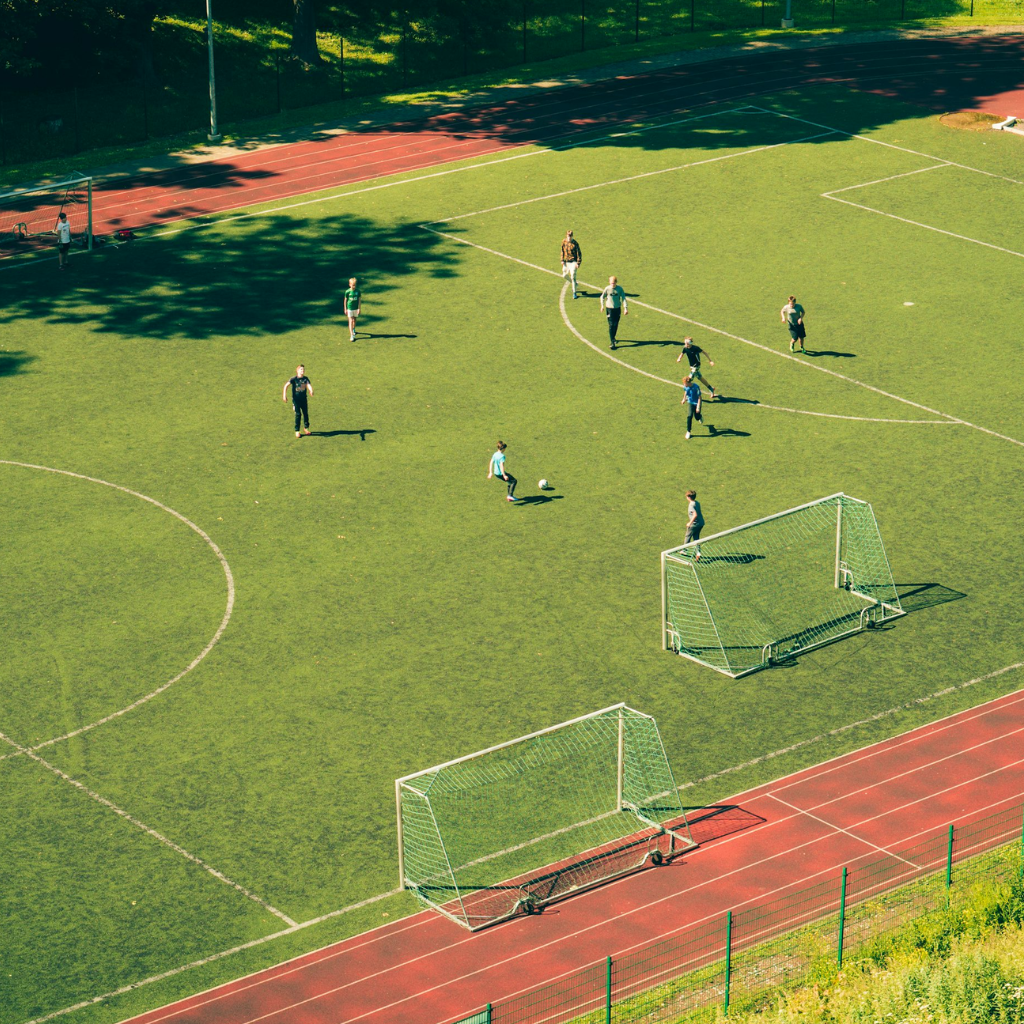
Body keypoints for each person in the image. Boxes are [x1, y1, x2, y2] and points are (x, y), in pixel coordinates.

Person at [282, 364, 314, 438]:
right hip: (296, 400)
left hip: (303, 399)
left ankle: (306, 428)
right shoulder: (294, 379)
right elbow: (286, 386)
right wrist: (284, 395)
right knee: (298, 414)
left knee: (305, 413)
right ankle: (297, 431)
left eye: (303, 369)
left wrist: (311, 390)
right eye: (301, 369)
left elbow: (308, 384)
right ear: (297, 370)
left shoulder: (305, 379)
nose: (302, 371)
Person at [599, 275, 628, 350]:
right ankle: (612, 342)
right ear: (609, 282)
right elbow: (602, 296)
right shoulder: (607, 289)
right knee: (611, 325)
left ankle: (613, 338)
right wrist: (602, 306)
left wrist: (625, 308)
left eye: (614, 283)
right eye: (611, 283)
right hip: (610, 309)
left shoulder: (619, 289)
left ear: (616, 282)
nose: (612, 285)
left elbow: (623, 298)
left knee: (615, 324)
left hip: (617, 308)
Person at [560, 230, 582, 299]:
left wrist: (578, 263)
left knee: (573, 276)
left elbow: (579, 254)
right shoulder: (564, 242)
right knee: (564, 275)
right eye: (568, 236)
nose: (569, 237)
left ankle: (574, 292)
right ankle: (575, 284)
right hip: (567, 262)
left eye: (570, 236)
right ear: (566, 235)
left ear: (572, 236)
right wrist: (562, 260)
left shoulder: (575, 243)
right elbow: (562, 251)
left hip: (573, 262)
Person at [685, 490, 705, 561]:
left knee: (688, 536)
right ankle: (698, 553)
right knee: (696, 538)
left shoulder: (691, 505)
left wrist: (689, 523)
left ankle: (684, 550)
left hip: (694, 524)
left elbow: (695, 515)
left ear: (689, 497)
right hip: (701, 523)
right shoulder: (697, 502)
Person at [682, 376, 703, 440]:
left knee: (696, 417)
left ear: (688, 383)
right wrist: (684, 399)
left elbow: (699, 397)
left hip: (697, 403)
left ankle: (700, 417)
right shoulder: (686, 387)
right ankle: (688, 431)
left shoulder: (696, 387)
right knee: (689, 416)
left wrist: (698, 407)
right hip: (690, 402)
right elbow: (685, 392)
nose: (684, 384)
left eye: (685, 383)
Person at [344, 277, 362, 342]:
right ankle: (351, 335)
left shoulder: (358, 291)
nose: (353, 286)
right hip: (350, 308)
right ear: (349, 284)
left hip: (355, 308)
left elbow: (359, 300)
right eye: (352, 285)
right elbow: (345, 300)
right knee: (350, 321)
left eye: (354, 285)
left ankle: (353, 329)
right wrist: (345, 308)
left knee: (354, 320)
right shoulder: (347, 292)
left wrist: (359, 308)